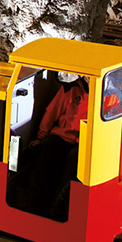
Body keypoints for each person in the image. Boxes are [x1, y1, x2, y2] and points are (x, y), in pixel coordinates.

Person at [27, 73, 90, 220]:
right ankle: (31, 208)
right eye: (87, 76)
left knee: (73, 169)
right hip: (62, 137)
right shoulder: (70, 89)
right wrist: (40, 138)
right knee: (45, 153)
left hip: (84, 143)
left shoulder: (109, 96)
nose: (89, 79)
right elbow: (51, 114)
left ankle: (56, 212)